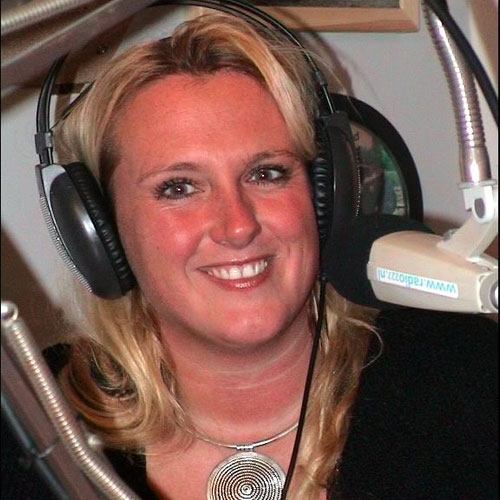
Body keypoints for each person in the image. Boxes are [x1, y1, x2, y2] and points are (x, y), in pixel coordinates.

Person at [3, 9, 497, 500]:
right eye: (178, 187)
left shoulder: (466, 379)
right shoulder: (33, 424)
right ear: (98, 229)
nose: (238, 226)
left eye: (267, 174)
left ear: (329, 194)